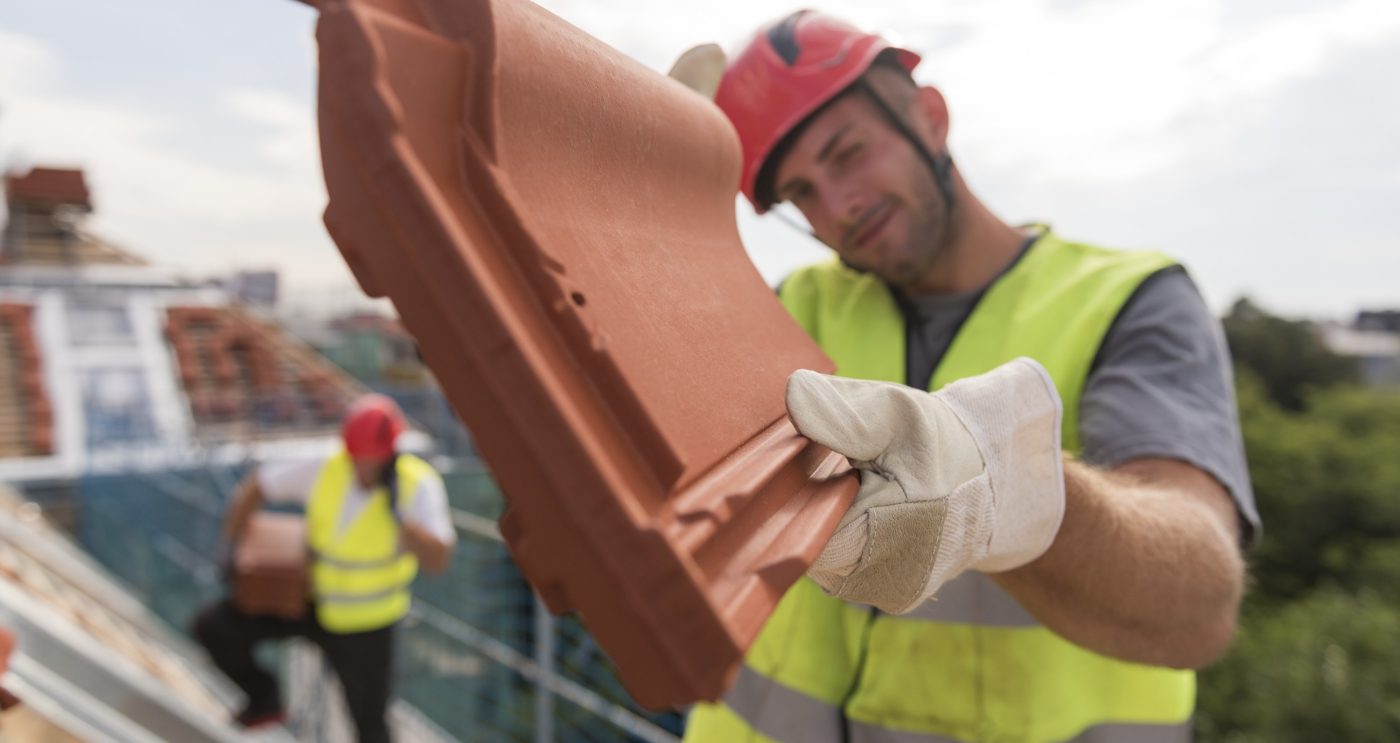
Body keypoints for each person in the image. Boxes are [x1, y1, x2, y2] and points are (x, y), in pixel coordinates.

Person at [674, 11, 1262, 743]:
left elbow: (1199, 598)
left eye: (849, 152)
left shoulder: (1126, 302)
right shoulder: (801, 304)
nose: (839, 204)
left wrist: (1007, 490)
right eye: (801, 194)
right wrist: (657, 209)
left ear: (930, 117)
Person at [193, 394, 455, 743]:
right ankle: (265, 699)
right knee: (214, 628)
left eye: (372, 458)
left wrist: (403, 522)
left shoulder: (419, 485)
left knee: (370, 727)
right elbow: (255, 488)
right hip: (310, 604)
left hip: (369, 625)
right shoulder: (326, 467)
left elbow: (438, 562)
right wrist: (231, 548)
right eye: (357, 456)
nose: (364, 465)